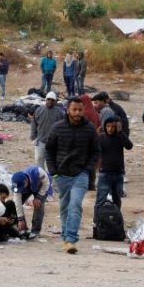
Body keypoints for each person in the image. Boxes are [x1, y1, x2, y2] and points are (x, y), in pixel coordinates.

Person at [44, 96, 100, 254]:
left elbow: (95, 151)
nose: (77, 113)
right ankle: (65, 237)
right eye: (74, 109)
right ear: (68, 110)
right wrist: (53, 172)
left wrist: (88, 169)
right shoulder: (57, 128)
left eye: (80, 110)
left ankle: (70, 240)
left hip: (80, 175)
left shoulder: (89, 129)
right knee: (64, 207)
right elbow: (49, 149)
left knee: (75, 205)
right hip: (61, 175)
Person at [96, 116, 132, 209]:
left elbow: (129, 146)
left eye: (113, 127)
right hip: (105, 173)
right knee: (100, 200)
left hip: (118, 173)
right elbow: (94, 150)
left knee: (117, 200)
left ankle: (117, 221)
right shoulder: (101, 137)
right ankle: (97, 221)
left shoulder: (120, 137)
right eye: (108, 126)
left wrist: (121, 132)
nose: (110, 129)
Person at [10, 165, 51, 240]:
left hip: (41, 187)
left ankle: (35, 231)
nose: (20, 191)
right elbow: (17, 203)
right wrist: (20, 219)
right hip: (27, 188)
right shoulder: (17, 185)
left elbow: (46, 184)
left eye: (21, 189)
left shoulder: (38, 172)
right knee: (14, 205)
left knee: (38, 205)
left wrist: (38, 197)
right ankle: (23, 229)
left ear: (26, 182)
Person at [31, 92, 64, 166]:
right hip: (40, 141)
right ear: (45, 100)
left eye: (52, 100)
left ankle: (52, 177)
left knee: (53, 163)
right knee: (39, 161)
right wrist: (34, 137)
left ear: (55, 101)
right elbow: (34, 124)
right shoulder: (39, 110)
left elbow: (63, 127)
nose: (50, 101)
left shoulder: (59, 113)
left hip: (54, 143)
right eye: (48, 99)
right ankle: (41, 177)